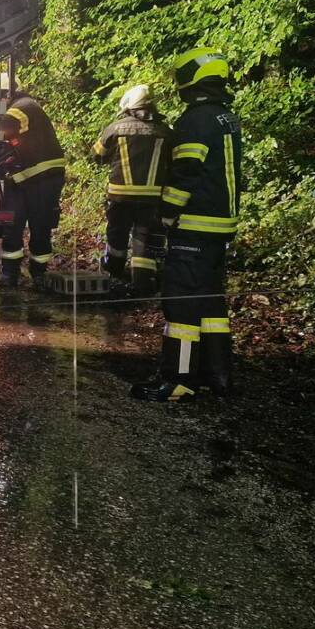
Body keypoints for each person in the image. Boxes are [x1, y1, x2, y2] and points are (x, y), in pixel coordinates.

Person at [132, 48, 242, 402]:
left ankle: (177, 380)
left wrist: (165, 212)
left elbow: (186, 171)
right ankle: (217, 376)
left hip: (193, 226)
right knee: (211, 305)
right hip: (219, 228)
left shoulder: (194, 121)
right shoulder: (225, 117)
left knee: (180, 306)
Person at [91, 84, 172, 298]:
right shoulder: (165, 131)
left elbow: (97, 154)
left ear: (128, 107)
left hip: (120, 195)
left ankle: (114, 275)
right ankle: (142, 283)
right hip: (152, 198)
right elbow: (174, 161)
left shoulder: (115, 128)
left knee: (117, 235)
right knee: (144, 238)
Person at [0, 90, 67, 287]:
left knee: (13, 224)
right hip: (48, 176)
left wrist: (6, 147)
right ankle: (39, 275)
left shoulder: (19, 109)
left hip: (33, 176)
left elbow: (7, 127)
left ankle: (10, 275)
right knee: (41, 225)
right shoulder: (33, 108)